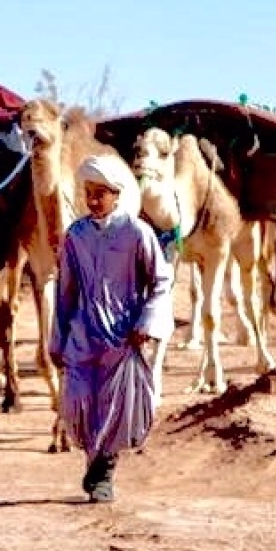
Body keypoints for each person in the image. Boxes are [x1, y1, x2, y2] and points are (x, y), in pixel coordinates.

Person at [49, 153, 173, 503]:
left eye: (100, 193)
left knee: (113, 408)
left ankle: (103, 470)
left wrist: (147, 321)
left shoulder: (137, 232)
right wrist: (57, 339)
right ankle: (94, 460)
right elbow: (65, 292)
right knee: (79, 403)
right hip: (82, 336)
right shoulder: (76, 235)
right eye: (88, 193)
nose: (92, 200)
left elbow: (161, 280)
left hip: (121, 338)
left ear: (116, 195)